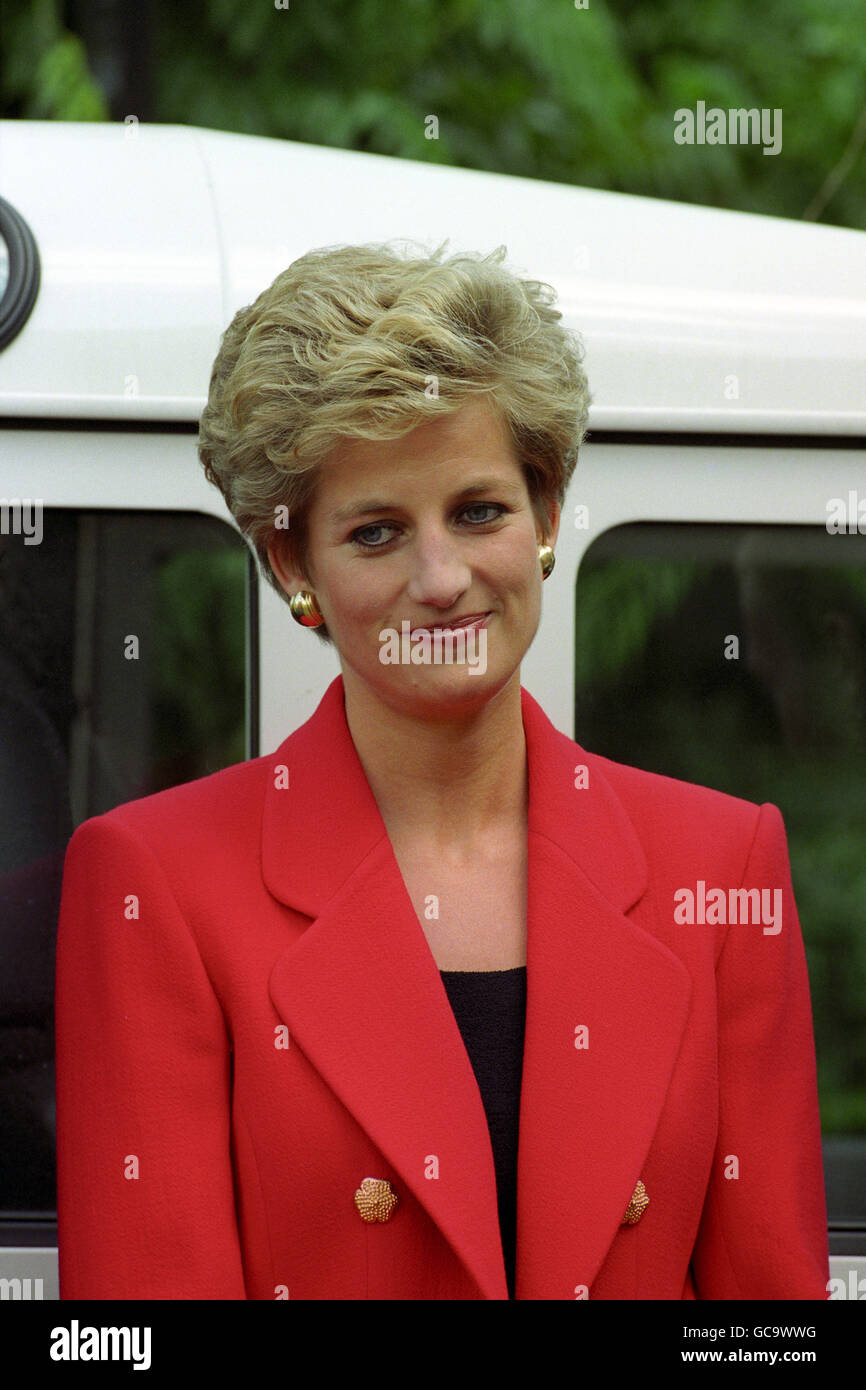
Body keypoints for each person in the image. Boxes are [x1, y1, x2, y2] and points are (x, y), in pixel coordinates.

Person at [55, 241, 829, 1300]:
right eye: (375, 532)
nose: (441, 579)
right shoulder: (158, 880)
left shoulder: (721, 862)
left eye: (477, 511)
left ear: (546, 514)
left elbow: (768, 1320)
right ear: (292, 564)